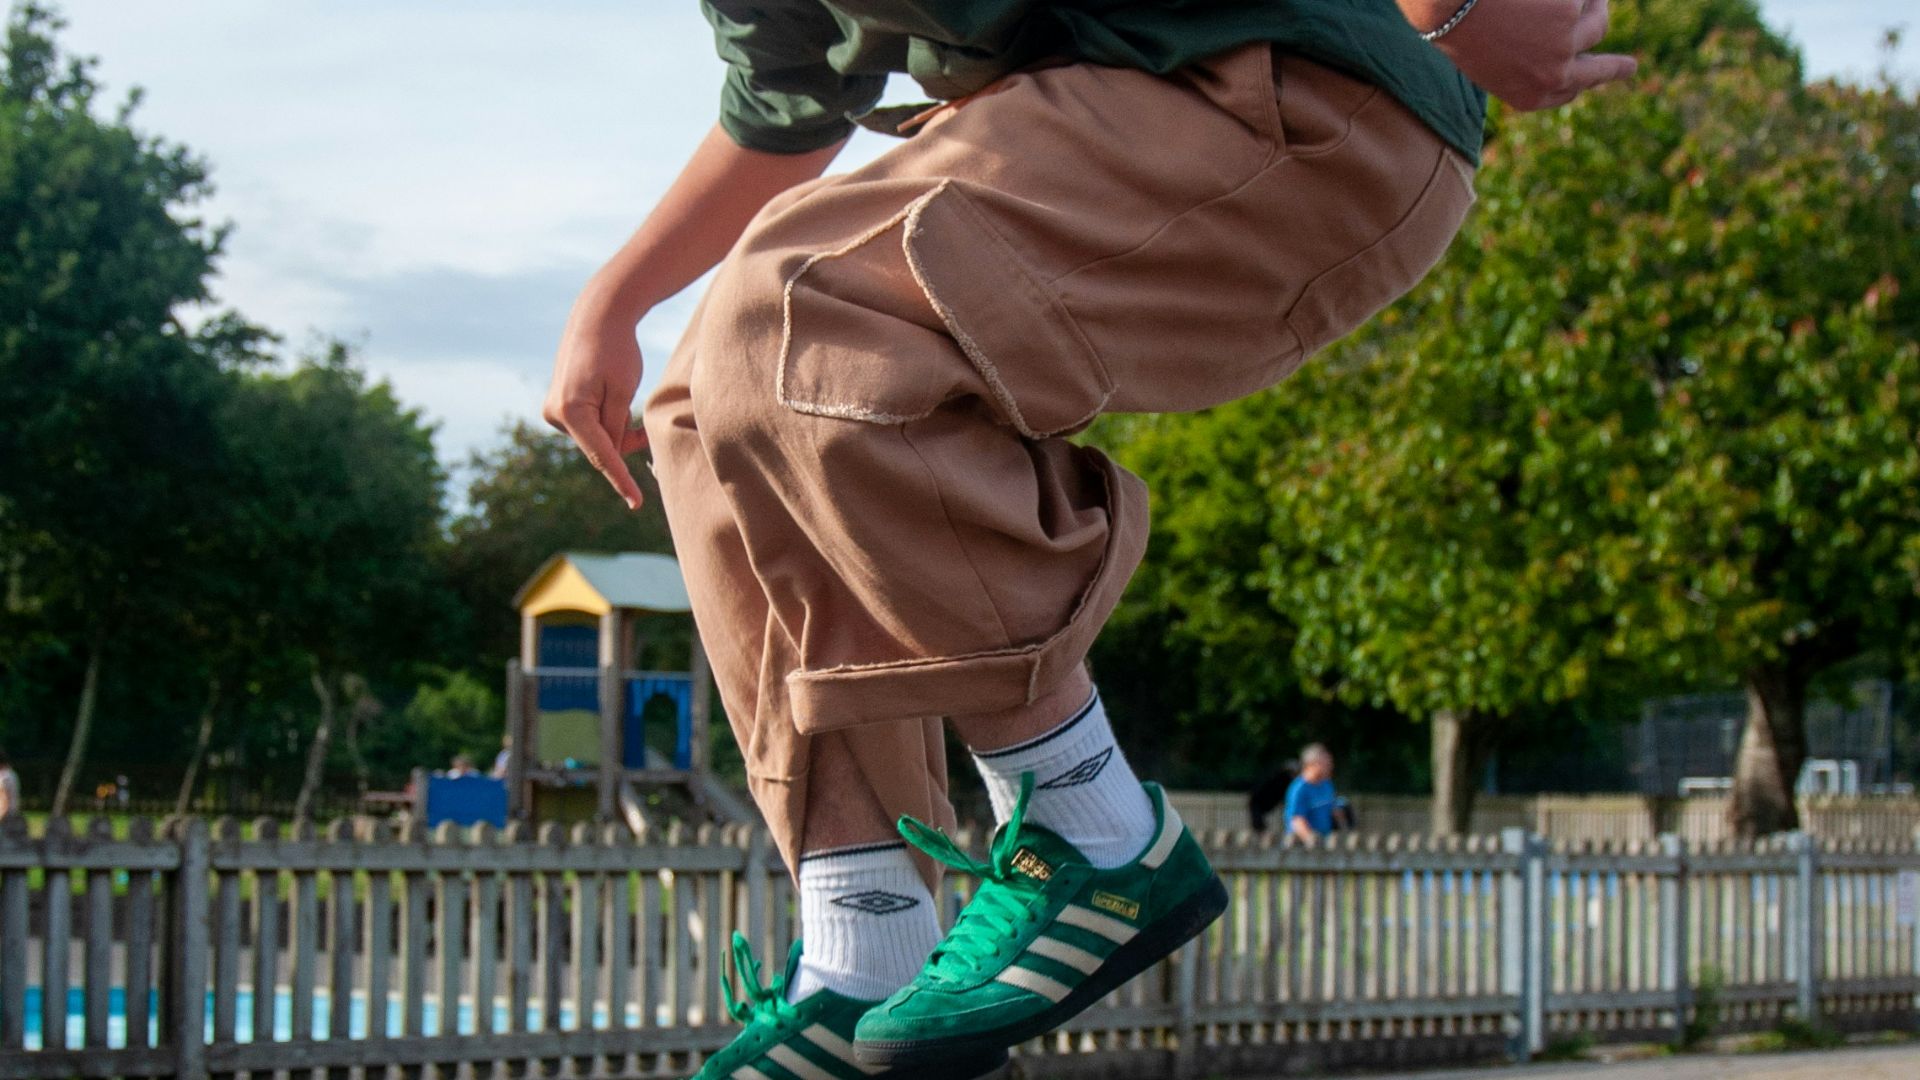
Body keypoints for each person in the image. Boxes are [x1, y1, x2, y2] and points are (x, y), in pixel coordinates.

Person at [543, 1, 1635, 1075]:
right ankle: (865, 934)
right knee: (700, 401)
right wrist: (615, 299)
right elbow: (782, 106)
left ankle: (1090, 825)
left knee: (805, 316)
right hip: (1091, 108)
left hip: (1287, 97)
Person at [1285, 744, 1340, 842]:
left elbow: (1332, 809)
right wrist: (1310, 839)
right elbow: (1297, 820)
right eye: (1326, 764)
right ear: (1312, 765)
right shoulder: (1299, 789)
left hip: (1323, 840)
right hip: (1302, 844)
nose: (1331, 767)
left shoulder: (1327, 784)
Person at [0, 748, 18, 822]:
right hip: (11, 816)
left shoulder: (4, 777)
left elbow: (4, 802)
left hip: (5, 818)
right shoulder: (10, 774)